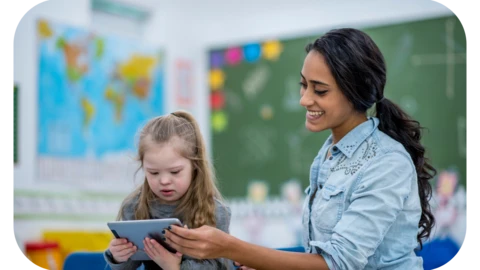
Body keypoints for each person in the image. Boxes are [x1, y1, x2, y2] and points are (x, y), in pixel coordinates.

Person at [163, 28, 437, 270]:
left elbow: (338, 263)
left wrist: (228, 247)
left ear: (355, 92)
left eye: (320, 91)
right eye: (304, 85)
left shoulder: (386, 162)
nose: (304, 99)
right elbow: (318, 253)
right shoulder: (328, 153)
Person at [103, 110, 233, 270]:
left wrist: (174, 267)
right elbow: (128, 266)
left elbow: (221, 267)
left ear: (195, 166)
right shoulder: (134, 208)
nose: (164, 181)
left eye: (175, 172)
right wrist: (118, 257)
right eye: (153, 172)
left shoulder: (215, 212)